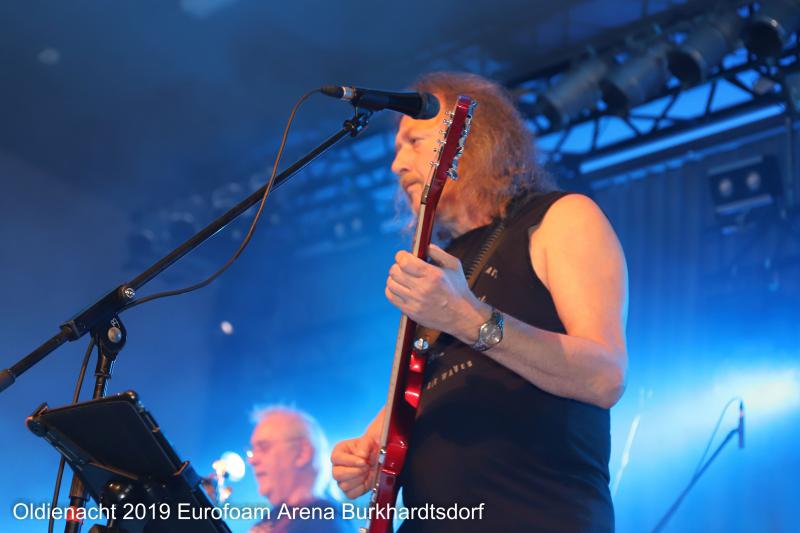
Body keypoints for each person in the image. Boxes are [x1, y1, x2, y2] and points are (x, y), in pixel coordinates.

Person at [331, 72, 628, 532]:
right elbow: (430, 381)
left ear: (470, 140)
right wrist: (368, 449)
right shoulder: (442, 260)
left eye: (414, 141)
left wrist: (469, 319)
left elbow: (604, 376)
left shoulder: (560, 217)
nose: (396, 165)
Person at [248, 406, 347, 533]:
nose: (252, 460)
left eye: (263, 448)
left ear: (302, 453)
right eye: (253, 450)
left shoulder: (325, 522)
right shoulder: (273, 517)